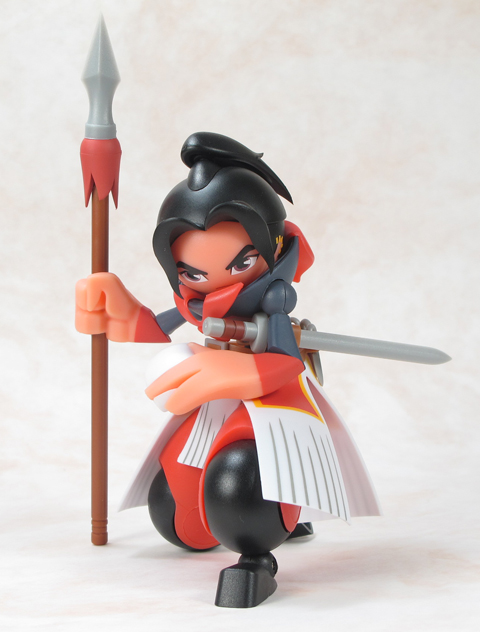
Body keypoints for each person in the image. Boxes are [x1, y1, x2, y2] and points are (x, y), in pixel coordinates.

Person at [76, 132, 380, 608]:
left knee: (239, 485)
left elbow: (285, 363)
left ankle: (259, 554)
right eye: (192, 272)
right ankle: (266, 512)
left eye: (241, 262)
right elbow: (156, 327)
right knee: (178, 513)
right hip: (215, 396)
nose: (211, 283)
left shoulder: (272, 305)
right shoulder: (198, 303)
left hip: (270, 398)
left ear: (273, 247)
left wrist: (231, 370)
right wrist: (116, 306)